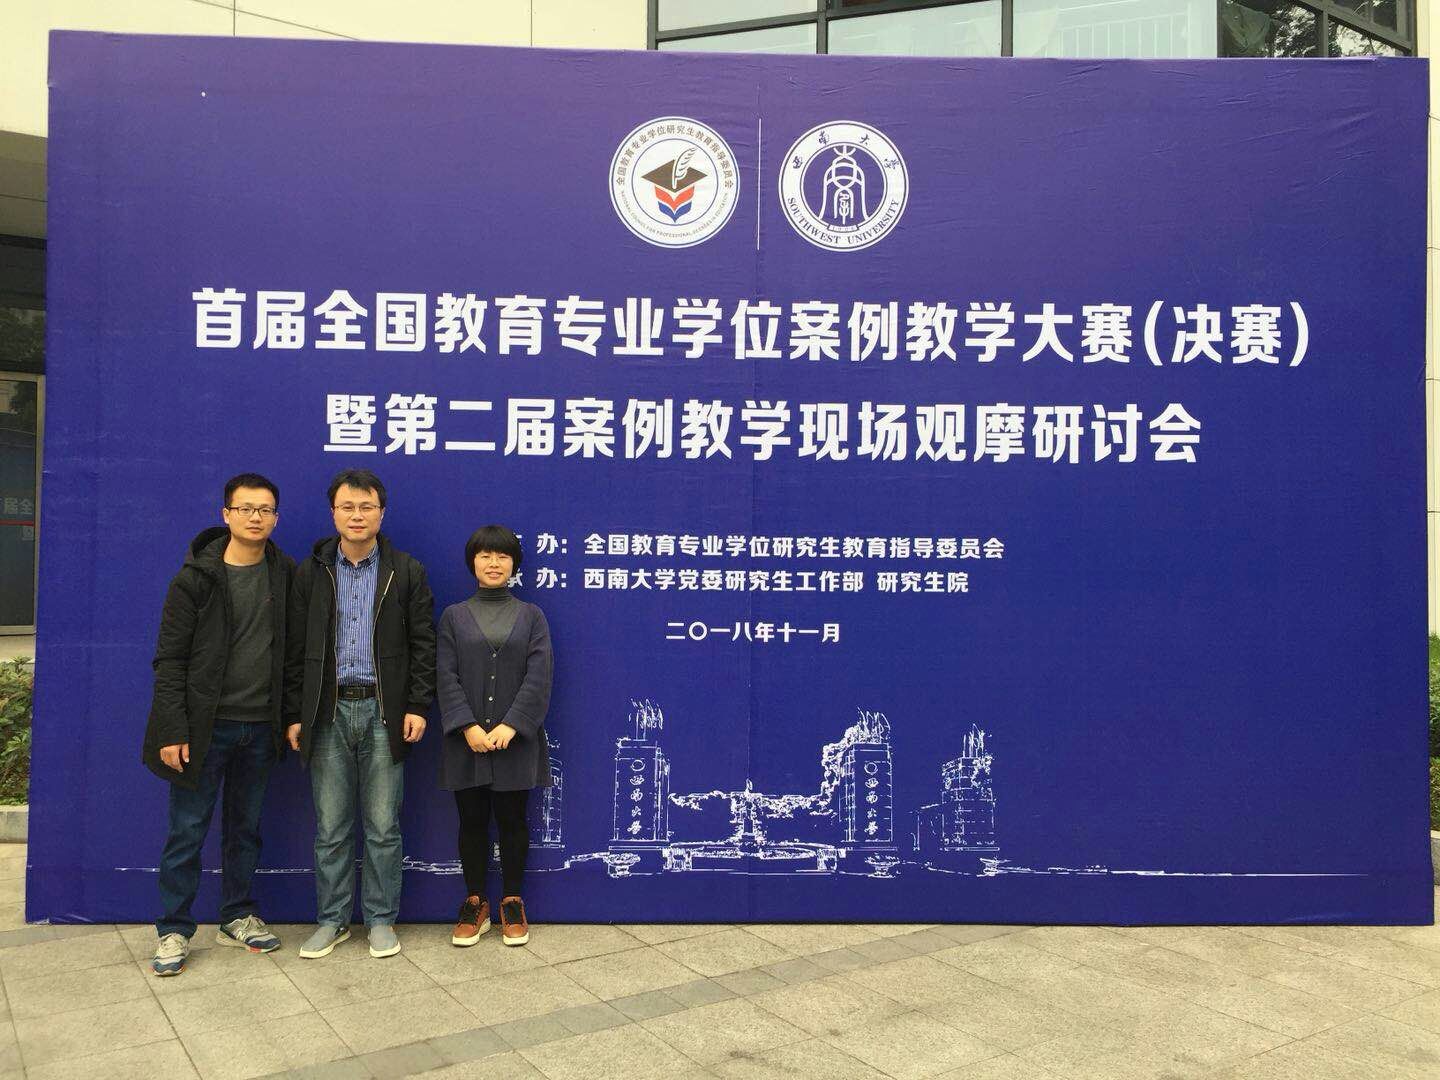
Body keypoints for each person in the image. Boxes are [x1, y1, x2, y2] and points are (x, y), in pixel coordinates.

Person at [143, 473, 294, 976]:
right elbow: (170, 660)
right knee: (187, 831)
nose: (256, 517)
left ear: (276, 518)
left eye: (265, 509)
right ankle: (173, 929)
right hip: (203, 730)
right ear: (226, 514)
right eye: (245, 508)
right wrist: (172, 729)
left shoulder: (285, 574)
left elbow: (294, 655)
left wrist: (290, 717)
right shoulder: (195, 579)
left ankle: (236, 916)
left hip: (260, 727)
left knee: (245, 829)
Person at [285, 468, 435, 960]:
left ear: (381, 513)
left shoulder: (405, 570)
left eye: (365, 507)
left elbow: (423, 644)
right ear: (333, 513)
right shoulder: (312, 572)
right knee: (331, 827)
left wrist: (417, 705)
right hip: (326, 713)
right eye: (347, 507)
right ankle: (331, 920)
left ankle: (381, 919)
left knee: (383, 826)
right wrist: (295, 714)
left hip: (383, 712)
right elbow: (294, 650)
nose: (356, 515)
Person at [436, 525, 553, 947]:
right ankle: (475, 903)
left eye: (502, 556)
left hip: (514, 742)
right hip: (465, 741)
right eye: (485, 555)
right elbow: (444, 675)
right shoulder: (453, 616)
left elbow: (539, 677)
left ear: (513, 564)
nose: (493, 563)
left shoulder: (532, 616)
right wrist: (467, 725)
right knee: (471, 821)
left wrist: (512, 725)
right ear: (472, 562)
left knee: (512, 821)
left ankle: (512, 902)